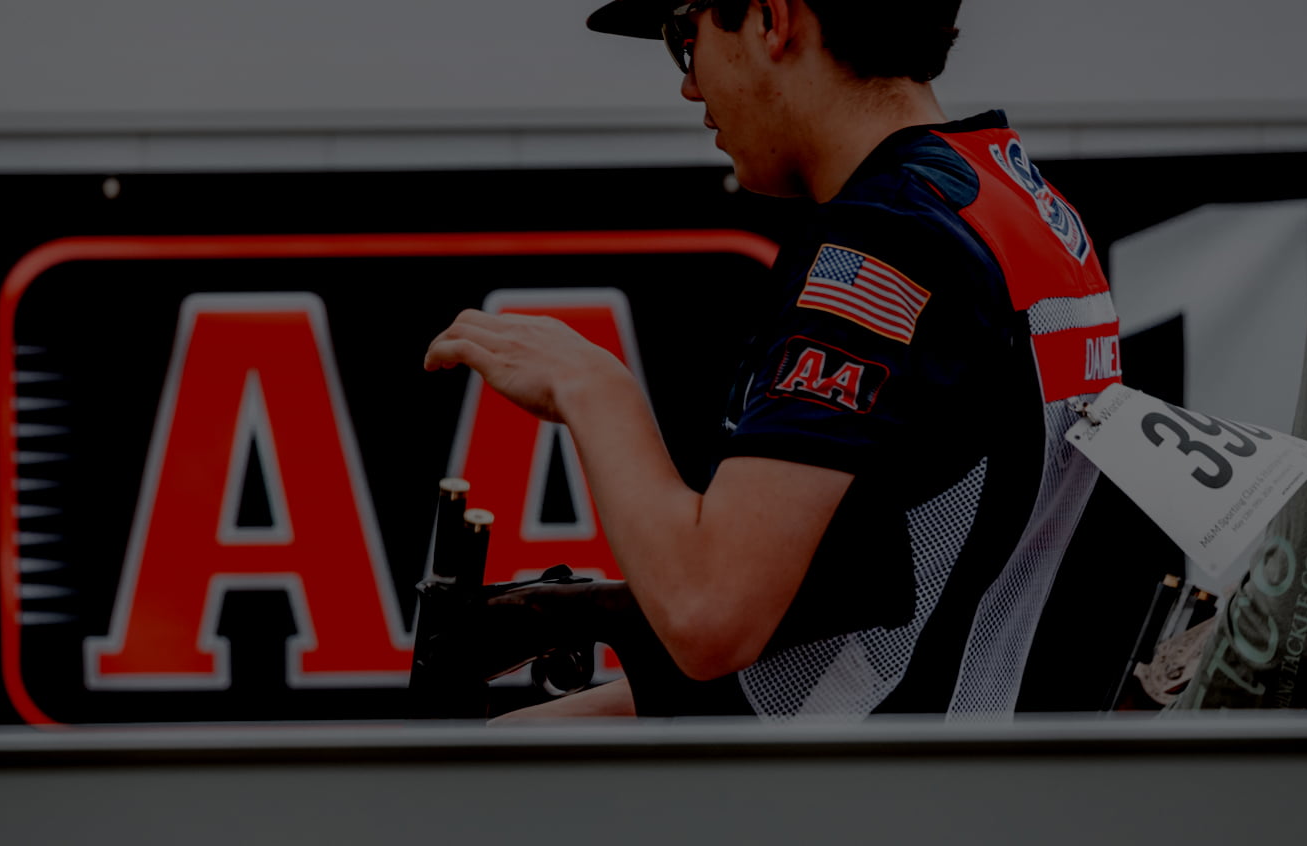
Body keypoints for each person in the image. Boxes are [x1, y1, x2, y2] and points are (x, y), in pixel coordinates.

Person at [423, 0, 1121, 719]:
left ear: (772, 19)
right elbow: (898, 578)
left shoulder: (886, 238)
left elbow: (708, 616)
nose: (690, 88)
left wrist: (592, 389)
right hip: (950, 750)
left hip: (851, 794)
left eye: (685, 42)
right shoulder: (1015, 201)